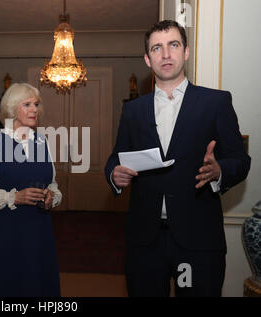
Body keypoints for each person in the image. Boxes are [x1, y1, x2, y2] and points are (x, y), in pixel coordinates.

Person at [104, 20, 250, 297]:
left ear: (185, 52)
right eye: (157, 48)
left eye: (173, 45)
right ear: (148, 59)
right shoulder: (133, 110)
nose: (166, 54)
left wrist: (219, 170)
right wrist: (114, 174)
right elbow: (116, 158)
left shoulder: (216, 102)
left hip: (198, 240)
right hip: (145, 241)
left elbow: (240, 161)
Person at [0, 83, 62, 297]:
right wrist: (14, 197)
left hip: (39, 231)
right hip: (6, 232)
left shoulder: (42, 142)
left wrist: (52, 196)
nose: (34, 109)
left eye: (37, 104)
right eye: (27, 104)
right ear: (12, 110)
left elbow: (53, 184)